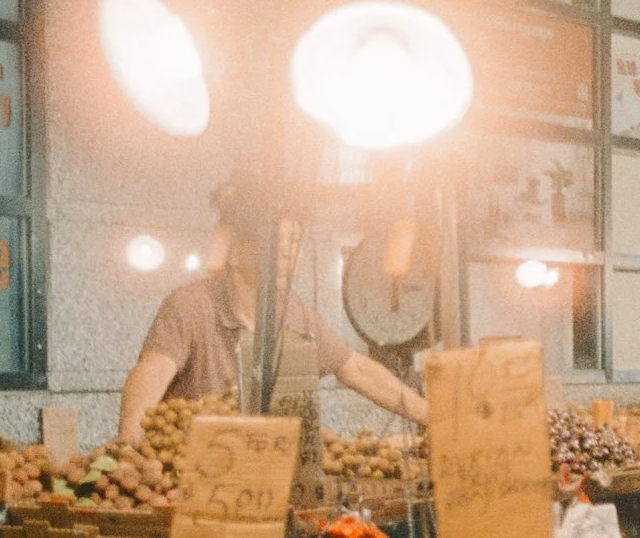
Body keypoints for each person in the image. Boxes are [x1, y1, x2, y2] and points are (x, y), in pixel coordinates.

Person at [119, 187, 427, 441]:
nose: (289, 254)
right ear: (236, 253)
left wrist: (429, 416)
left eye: (295, 243)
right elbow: (153, 370)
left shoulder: (293, 311)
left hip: (267, 473)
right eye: (276, 242)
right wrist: (130, 444)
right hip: (198, 474)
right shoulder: (191, 305)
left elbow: (356, 369)